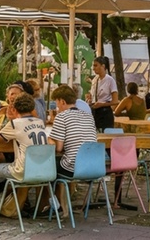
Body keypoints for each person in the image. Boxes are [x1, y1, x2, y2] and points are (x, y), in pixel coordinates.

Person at [47, 84, 97, 214]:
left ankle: (57, 207)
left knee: (49, 169)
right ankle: (62, 206)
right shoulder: (88, 116)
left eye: (57, 103)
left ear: (62, 101)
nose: (57, 107)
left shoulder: (61, 117)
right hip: (95, 166)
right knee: (63, 163)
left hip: (74, 168)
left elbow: (58, 148)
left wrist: (49, 138)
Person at [87, 56, 118, 130]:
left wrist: (102, 104)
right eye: (93, 66)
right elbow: (93, 95)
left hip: (105, 113)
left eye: (96, 65)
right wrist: (90, 99)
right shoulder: (95, 80)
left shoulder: (110, 80)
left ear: (103, 66)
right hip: (94, 112)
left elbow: (115, 101)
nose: (93, 68)